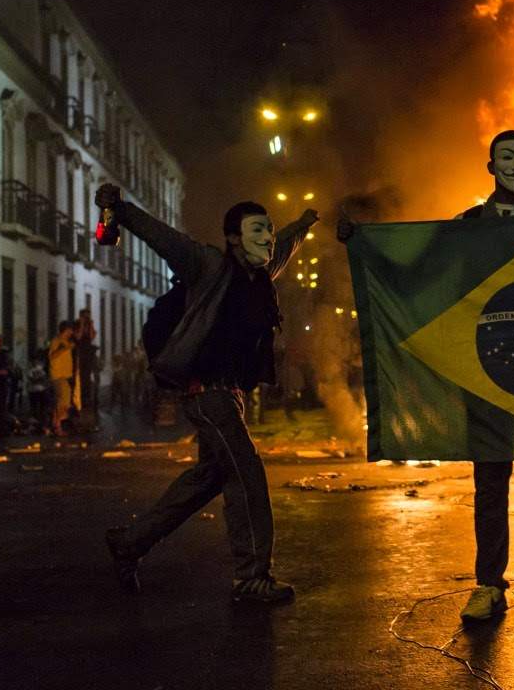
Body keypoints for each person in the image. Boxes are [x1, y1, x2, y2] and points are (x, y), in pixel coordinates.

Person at [339, 129, 514, 622]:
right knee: (491, 481)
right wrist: (364, 244)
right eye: (507, 157)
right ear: (490, 167)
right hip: (487, 369)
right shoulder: (467, 229)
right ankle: (489, 586)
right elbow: (418, 272)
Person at [97, 183, 318, 604]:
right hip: (206, 392)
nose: (267, 238)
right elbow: (164, 237)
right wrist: (121, 211)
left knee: (208, 478)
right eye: (257, 231)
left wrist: (303, 225)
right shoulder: (209, 265)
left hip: (228, 394)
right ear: (233, 238)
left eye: (268, 230)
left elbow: (284, 246)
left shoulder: (259, 276)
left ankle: (129, 543)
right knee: (246, 473)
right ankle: (252, 576)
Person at [48, 323, 77, 437]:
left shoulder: (66, 342)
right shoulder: (57, 341)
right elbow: (52, 356)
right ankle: (57, 425)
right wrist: (65, 348)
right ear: (65, 330)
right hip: (58, 376)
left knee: (63, 401)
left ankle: (56, 425)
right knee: (64, 401)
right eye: (70, 330)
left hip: (64, 375)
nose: (71, 333)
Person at [75, 309, 99, 427]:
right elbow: (78, 337)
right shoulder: (77, 324)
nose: (86, 318)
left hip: (88, 353)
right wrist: (81, 324)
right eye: (85, 316)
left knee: (87, 376)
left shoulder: (90, 325)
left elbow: (92, 336)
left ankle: (88, 399)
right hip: (80, 352)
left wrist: (91, 325)